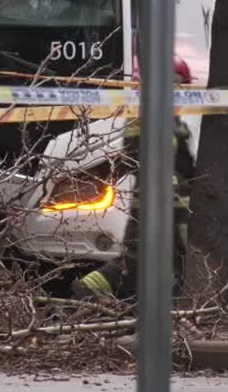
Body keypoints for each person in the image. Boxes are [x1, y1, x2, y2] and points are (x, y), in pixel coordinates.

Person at [71, 56, 196, 301]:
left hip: (162, 204)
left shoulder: (160, 117)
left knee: (143, 261)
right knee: (159, 262)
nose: (185, 96)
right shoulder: (148, 117)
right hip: (162, 205)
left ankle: (101, 295)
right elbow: (143, 158)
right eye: (182, 88)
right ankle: (91, 290)